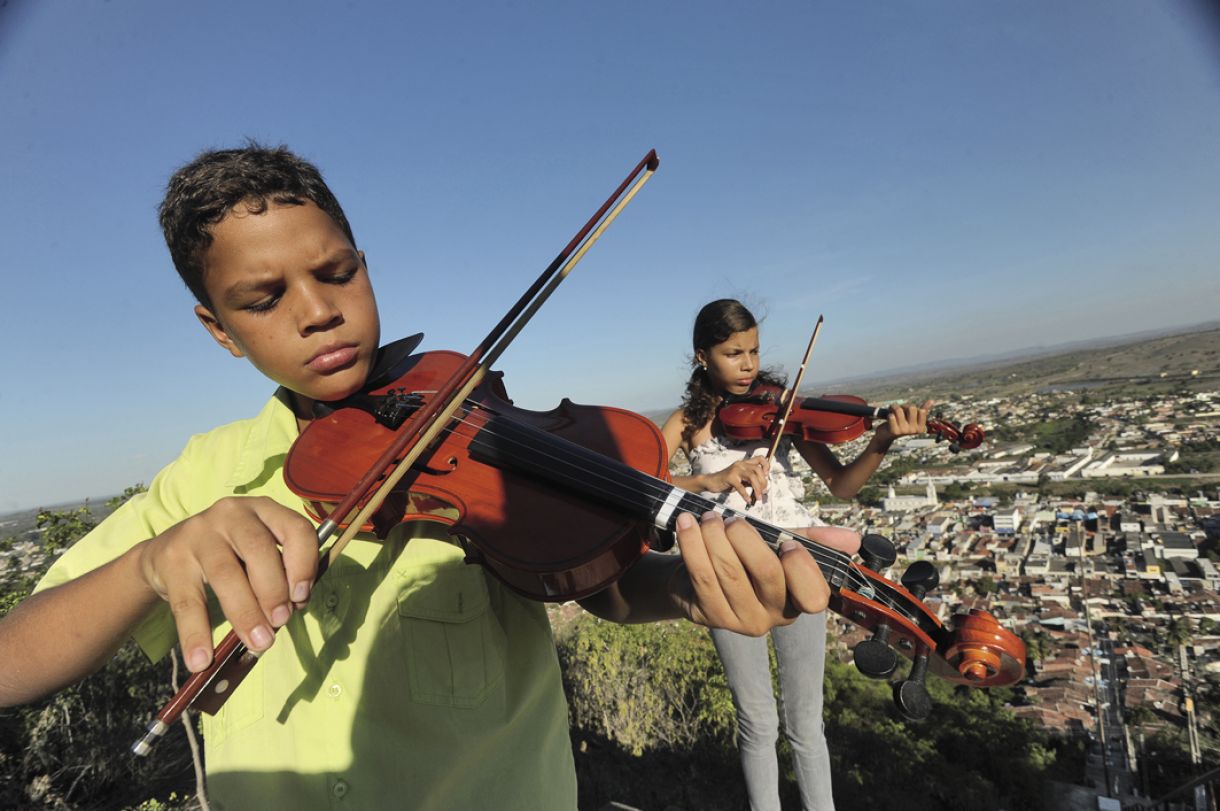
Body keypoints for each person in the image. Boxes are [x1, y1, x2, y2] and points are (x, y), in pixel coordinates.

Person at [0, 146, 840, 811]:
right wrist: (150, 563)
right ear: (218, 330)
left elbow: (600, 580)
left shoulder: (468, 409)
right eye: (262, 299)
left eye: (336, 273)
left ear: (364, 263)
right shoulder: (203, 477)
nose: (317, 311)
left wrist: (693, 589)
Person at [660, 299, 930, 811]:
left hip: (799, 559)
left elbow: (842, 484)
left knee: (806, 720)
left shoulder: (781, 409)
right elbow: (645, 479)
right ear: (702, 357)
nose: (747, 364)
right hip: (728, 573)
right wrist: (709, 480)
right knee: (756, 718)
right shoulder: (689, 420)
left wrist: (883, 440)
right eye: (732, 352)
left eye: (754, 351)